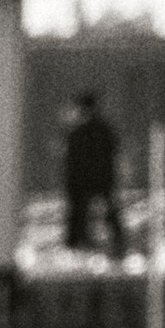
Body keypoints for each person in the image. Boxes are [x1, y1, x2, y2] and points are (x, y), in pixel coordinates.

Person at [61, 89, 122, 259]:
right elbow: (113, 151)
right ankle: (117, 241)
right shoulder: (104, 130)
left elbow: (72, 159)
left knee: (78, 213)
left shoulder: (77, 133)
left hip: (82, 180)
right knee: (109, 211)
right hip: (101, 178)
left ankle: (75, 245)